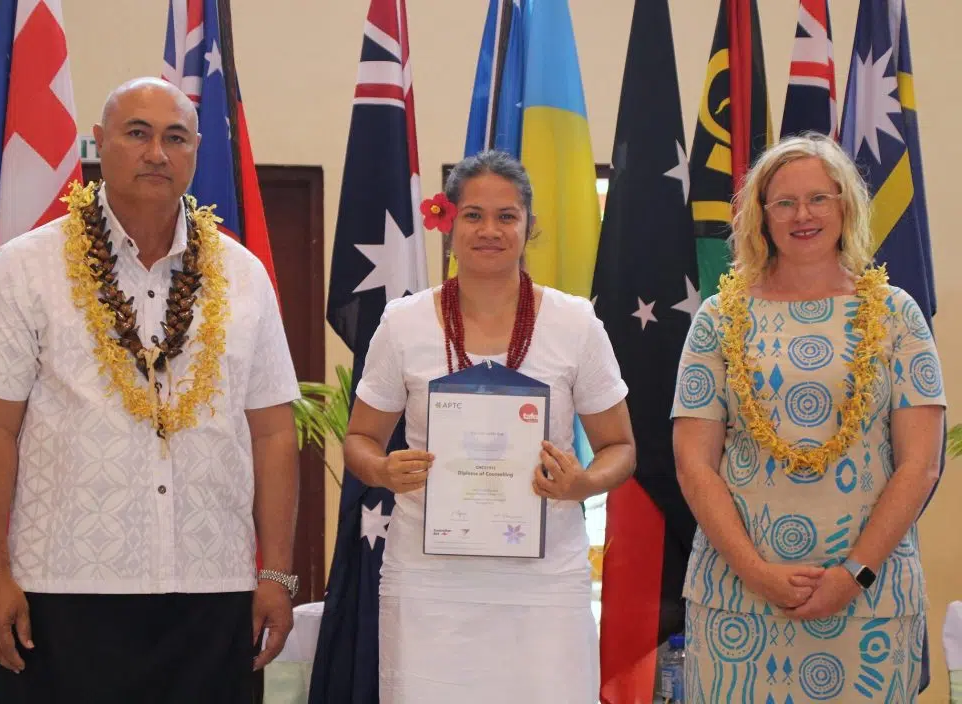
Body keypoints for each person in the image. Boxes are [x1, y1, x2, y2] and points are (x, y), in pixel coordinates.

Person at [0, 77, 302, 703]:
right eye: (137, 133)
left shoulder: (244, 274)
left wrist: (275, 571)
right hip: (60, 595)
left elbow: (273, 432)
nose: (156, 153)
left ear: (196, 151)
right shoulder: (26, 266)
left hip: (213, 592)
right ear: (99, 143)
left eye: (175, 138)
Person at [343, 150, 637, 703]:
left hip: (544, 582)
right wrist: (382, 469)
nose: (490, 230)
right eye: (474, 214)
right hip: (430, 583)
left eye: (508, 216)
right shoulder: (403, 324)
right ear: (448, 222)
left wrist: (583, 484)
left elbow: (620, 447)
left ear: (529, 226)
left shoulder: (574, 323)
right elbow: (358, 441)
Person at [673, 133, 945, 702]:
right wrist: (753, 571)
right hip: (737, 600)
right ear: (761, 217)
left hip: (870, 602)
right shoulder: (719, 318)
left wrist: (855, 576)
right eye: (784, 202)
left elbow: (919, 465)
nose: (803, 215)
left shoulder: (897, 314)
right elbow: (693, 465)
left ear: (845, 204)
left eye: (819, 198)